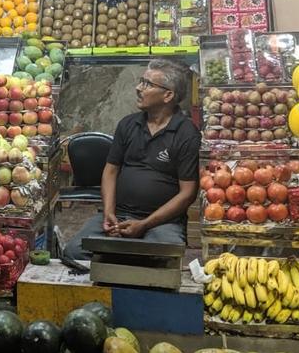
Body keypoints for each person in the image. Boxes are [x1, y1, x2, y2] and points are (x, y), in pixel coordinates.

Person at [64, 59, 200, 258]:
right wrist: (109, 212)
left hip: (163, 223)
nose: (138, 88)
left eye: (147, 84)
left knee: (160, 259)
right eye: (141, 81)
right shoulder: (128, 125)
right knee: (74, 252)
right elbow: (111, 170)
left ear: (168, 95)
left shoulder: (186, 133)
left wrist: (144, 224)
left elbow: (187, 193)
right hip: (119, 215)